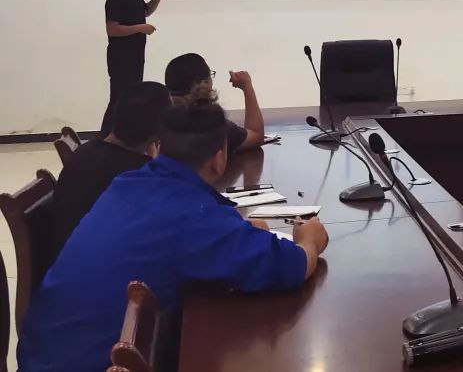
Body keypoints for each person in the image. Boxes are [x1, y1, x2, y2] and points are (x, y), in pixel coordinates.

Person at [17, 103, 329, 372]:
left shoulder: (128, 183)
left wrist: (238, 233)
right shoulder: (194, 217)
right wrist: (309, 239)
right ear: (219, 158)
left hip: (42, 355)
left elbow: (180, 235)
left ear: (157, 148)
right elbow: (289, 267)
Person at [52, 81, 171, 256]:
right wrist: (155, 163)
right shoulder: (139, 173)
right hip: (101, 262)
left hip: (69, 256)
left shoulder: (86, 151)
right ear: (159, 132)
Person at [103, 0, 168, 133]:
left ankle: (125, 136)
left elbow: (145, 11)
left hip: (136, 56)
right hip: (120, 58)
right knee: (119, 99)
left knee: (132, 98)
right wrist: (140, 28)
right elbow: (112, 29)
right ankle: (105, 137)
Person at [166, 53, 265, 152]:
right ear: (204, 84)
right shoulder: (211, 124)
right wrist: (246, 86)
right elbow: (256, 136)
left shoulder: (161, 119)